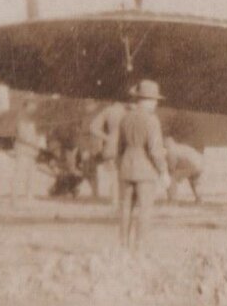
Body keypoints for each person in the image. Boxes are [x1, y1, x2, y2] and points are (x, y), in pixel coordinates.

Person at [116, 80, 170, 255]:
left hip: (126, 167)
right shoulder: (151, 120)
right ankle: (140, 247)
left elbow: (119, 147)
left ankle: (123, 245)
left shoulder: (125, 118)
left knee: (125, 208)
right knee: (145, 209)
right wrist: (163, 171)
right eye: (154, 100)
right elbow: (154, 150)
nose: (155, 103)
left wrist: (121, 165)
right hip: (145, 170)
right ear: (147, 100)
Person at [86, 98, 128, 203]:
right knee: (125, 174)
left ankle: (115, 200)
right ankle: (124, 200)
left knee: (114, 174)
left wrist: (107, 137)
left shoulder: (108, 111)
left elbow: (93, 127)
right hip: (127, 145)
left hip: (112, 144)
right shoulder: (128, 111)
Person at [164, 139, 205, 204]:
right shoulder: (180, 147)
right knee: (195, 181)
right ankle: (199, 199)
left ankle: (172, 199)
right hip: (200, 164)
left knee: (171, 178)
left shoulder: (171, 150)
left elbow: (171, 167)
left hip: (191, 166)